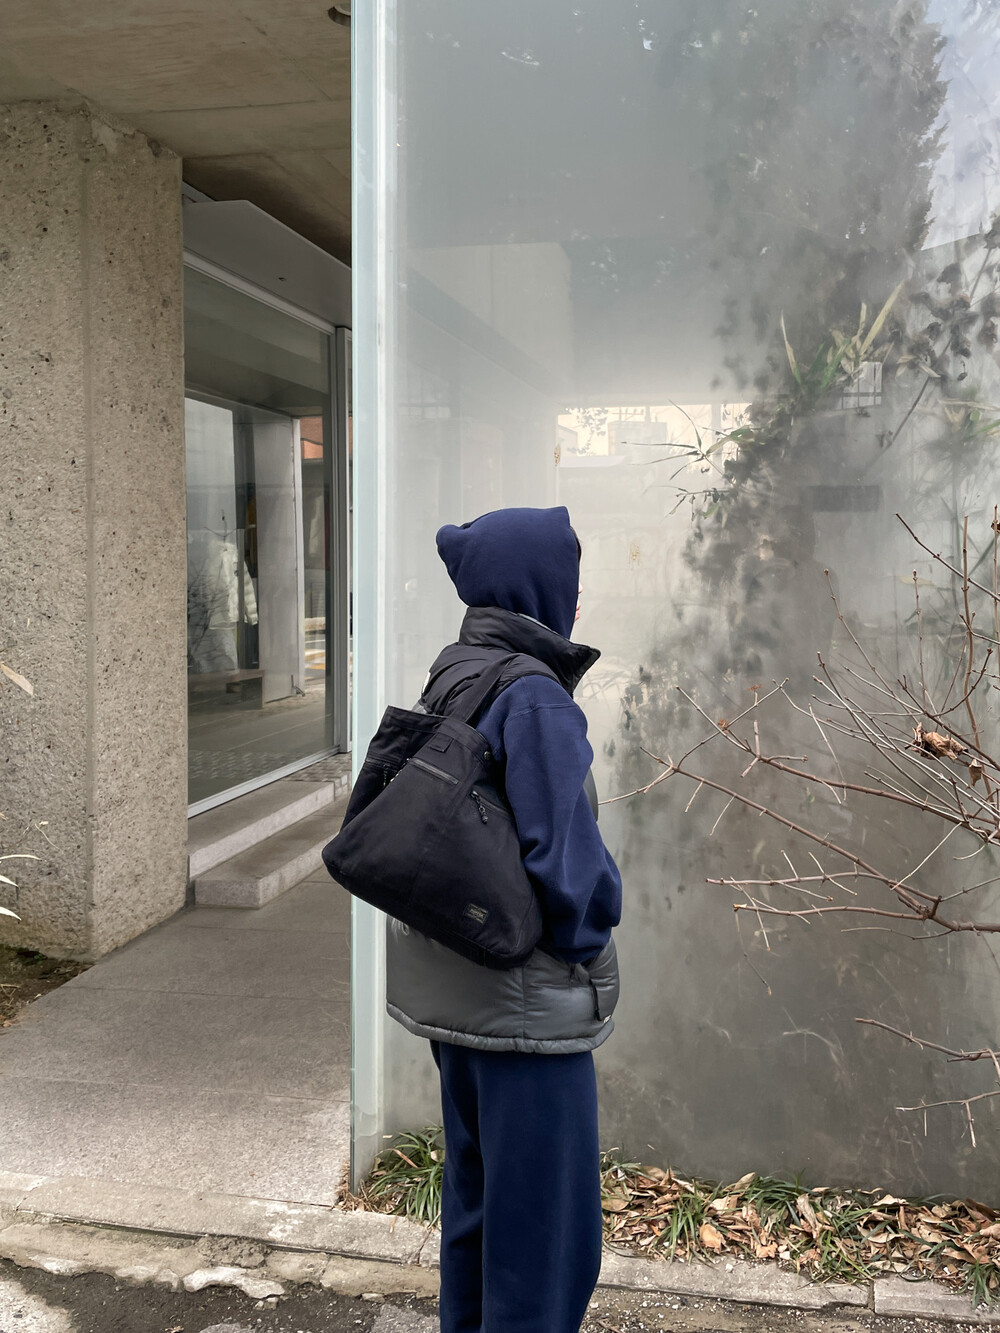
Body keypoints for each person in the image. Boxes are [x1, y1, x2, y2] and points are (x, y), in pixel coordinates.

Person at [386, 505, 623, 1333]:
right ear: (542, 589)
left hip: (460, 1004)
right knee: (547, 1248)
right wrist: (588, 951)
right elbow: (568, 866)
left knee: (480, 1221)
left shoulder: (457, 671)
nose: (578, 599)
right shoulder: (535, 698)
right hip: (526, 1015)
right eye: (571, 581)